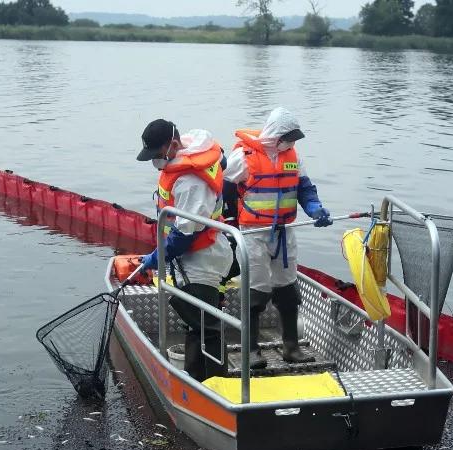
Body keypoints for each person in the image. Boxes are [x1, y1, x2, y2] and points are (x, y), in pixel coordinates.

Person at [223, 107, 330, 367]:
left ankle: (291, 348)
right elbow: (225, 186)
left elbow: (304, 187)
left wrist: (315, 207)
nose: (292, 143)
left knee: (288, 291)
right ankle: (251, 352)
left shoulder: (293, 155)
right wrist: (231, 221)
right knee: (256, 292)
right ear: (275, 135)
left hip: (284, 233)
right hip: (253, 234)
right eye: (288, 137)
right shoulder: (243, 157)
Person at [136, 119, 232, 382]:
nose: (155, 161)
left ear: (173, 145)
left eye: (156, 155)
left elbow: (184, 235)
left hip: (203, 258)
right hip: (192, 256)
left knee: (207, 325)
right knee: (196, 321)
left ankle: (216, 385)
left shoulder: (191, 182)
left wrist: (157, 258)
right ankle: (195, 379)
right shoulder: (186, 152)